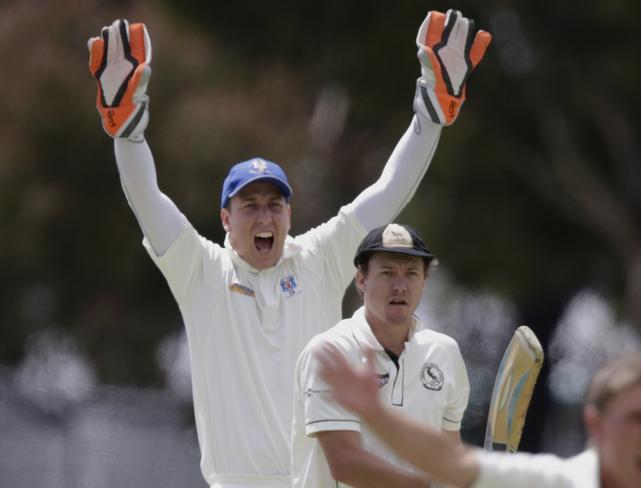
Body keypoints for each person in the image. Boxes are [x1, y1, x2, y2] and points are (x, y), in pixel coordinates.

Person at [87, 10, 491, 488]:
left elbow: (388, 191)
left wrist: (431, 115)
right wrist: (126, 129)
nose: (264, 217)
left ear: (288, 215)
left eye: (274, 205)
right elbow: (147, 200)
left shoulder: (318, 258)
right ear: (226, 220)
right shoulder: (201, 270)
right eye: (250, 205)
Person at [317, 345, 641, 488]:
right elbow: (453, 461)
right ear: (597, 424)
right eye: (637, 418)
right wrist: (377, 415)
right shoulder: (550, 482)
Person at [291, 223, 470, 487]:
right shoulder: (330, 352)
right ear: (361, 280)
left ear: (424, 281)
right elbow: (345, 463)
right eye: (387, 273)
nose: (400, 286)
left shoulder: (445, 352)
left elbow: (447, 453)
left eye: (411, 274)